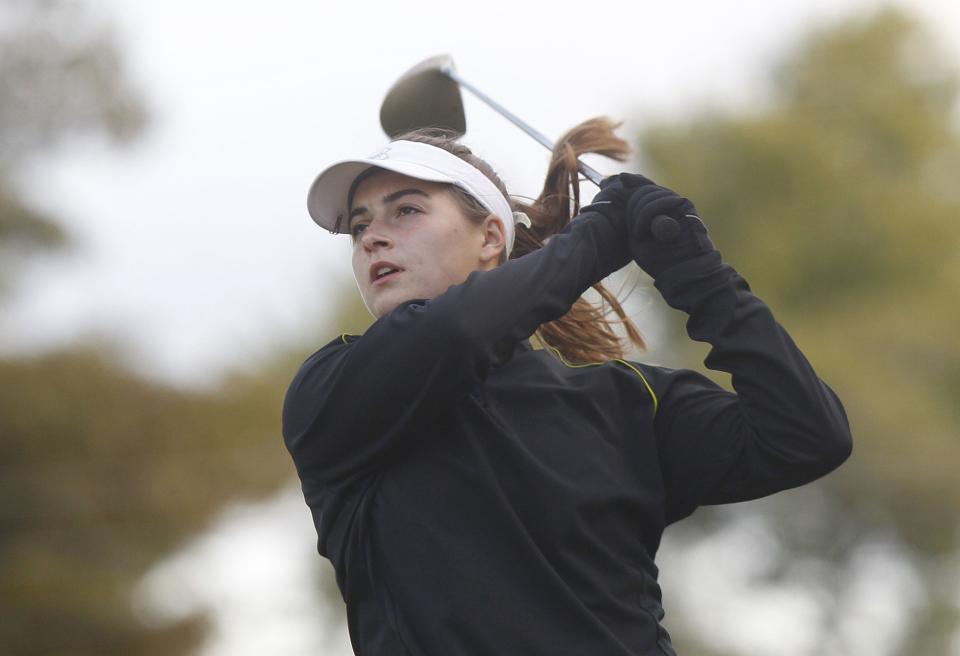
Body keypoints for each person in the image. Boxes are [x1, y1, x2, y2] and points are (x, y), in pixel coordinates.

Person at [282, 118, 852, 656]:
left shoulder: (624, 400)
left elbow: (806, 435)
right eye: (359, 227)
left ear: (490, 238)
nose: (371, 239)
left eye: (405, 210)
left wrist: (700, 277)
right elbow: (454, 331)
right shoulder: (332, 392)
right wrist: (596, 239)